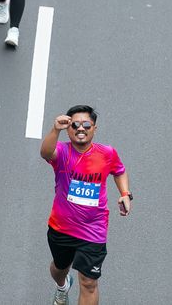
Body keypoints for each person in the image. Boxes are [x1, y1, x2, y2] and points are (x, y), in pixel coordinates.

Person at [40, 105, 132, 305]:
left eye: (86, 125)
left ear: (94, 129)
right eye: (75, 125)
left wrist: (125, 194)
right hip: (61, 227)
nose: (81, 128)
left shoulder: (107, 153)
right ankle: (63, 286)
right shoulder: (62, 151)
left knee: (89, 283)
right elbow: (45, 153)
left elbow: (119, 171)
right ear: (68, 129)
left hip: (93, 228)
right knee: (59, 269)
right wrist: (55, 129)